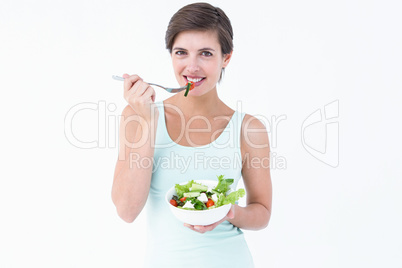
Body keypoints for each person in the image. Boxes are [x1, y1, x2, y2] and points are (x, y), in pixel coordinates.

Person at [111, 3, 272, 267]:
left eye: (206, 54)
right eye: (181, 52)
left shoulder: (248, 129)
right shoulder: (137, 115)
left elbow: (262, 212)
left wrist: (229, 212)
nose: (192, 66)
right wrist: (150, 122)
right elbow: (127, 211)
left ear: (226, 58)